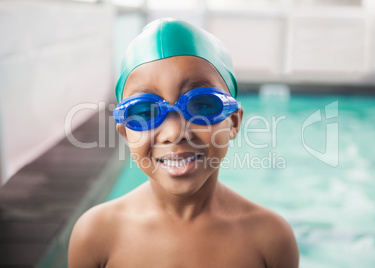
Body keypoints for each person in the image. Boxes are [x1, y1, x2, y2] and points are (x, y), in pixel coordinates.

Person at [68, 18, 299, 268]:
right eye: (144, 112)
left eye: (202, 104)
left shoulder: (270, 238)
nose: (174, 132)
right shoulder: (96, 235)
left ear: (233, 122)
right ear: (126, 134)